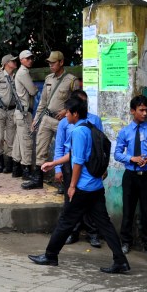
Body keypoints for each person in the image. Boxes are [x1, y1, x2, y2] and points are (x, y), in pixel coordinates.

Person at [27, 95, 130, 274]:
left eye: (67, 112)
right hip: (96, 187)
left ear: (75, 113)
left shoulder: (77, 132)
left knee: (66, 221)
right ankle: (120, 260)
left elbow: (78, 162)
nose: (65, 115)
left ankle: (50, 255)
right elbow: (74, 155)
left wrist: (72, 186)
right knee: (104, 224)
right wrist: (54, 163)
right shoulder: (88, 127)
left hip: (83, 188)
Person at [46, 89, 103, 247]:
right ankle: (73, 232)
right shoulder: (66, 121)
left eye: (84, 102)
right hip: (69, 166)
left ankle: (93, 233)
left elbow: (100, 147)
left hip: (88, 167)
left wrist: (102, 168)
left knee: (89, 202)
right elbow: (60, 146)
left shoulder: (95, 121)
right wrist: (57, 169)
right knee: (70, 201)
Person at [114, 95, 147, 258]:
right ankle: (125, 242)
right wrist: (131, 158)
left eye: (146, 110)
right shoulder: (125, 131)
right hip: (131, 176)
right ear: (132, 111)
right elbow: (116, 154)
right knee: (128, 210)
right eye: (141, 110)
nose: (145, 113)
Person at [23, 51, 79, 189]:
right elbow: (42, 102)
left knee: (63, 150)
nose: (51, 65)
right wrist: (36, 120)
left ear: (61, 62)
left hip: (63, 121)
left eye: (53, 63)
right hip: (47, 118)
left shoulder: (72, 80)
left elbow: (77, 100)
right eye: (49, 63)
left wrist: (66, 111)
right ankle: (38, 179)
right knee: (40, 148)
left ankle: (63, 182)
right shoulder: (48, 79)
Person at [13, 50, 38, 178]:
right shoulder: (23, 73)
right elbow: (33, 91)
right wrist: (36, 88)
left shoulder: (21, 72)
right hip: (24, 112)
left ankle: (16, 169)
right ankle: (26, 171)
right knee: (26, 141)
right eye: (27, 58)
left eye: (31, 58)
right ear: (21, 60)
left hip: (20, 112)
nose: (30, 60)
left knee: (19, 141)